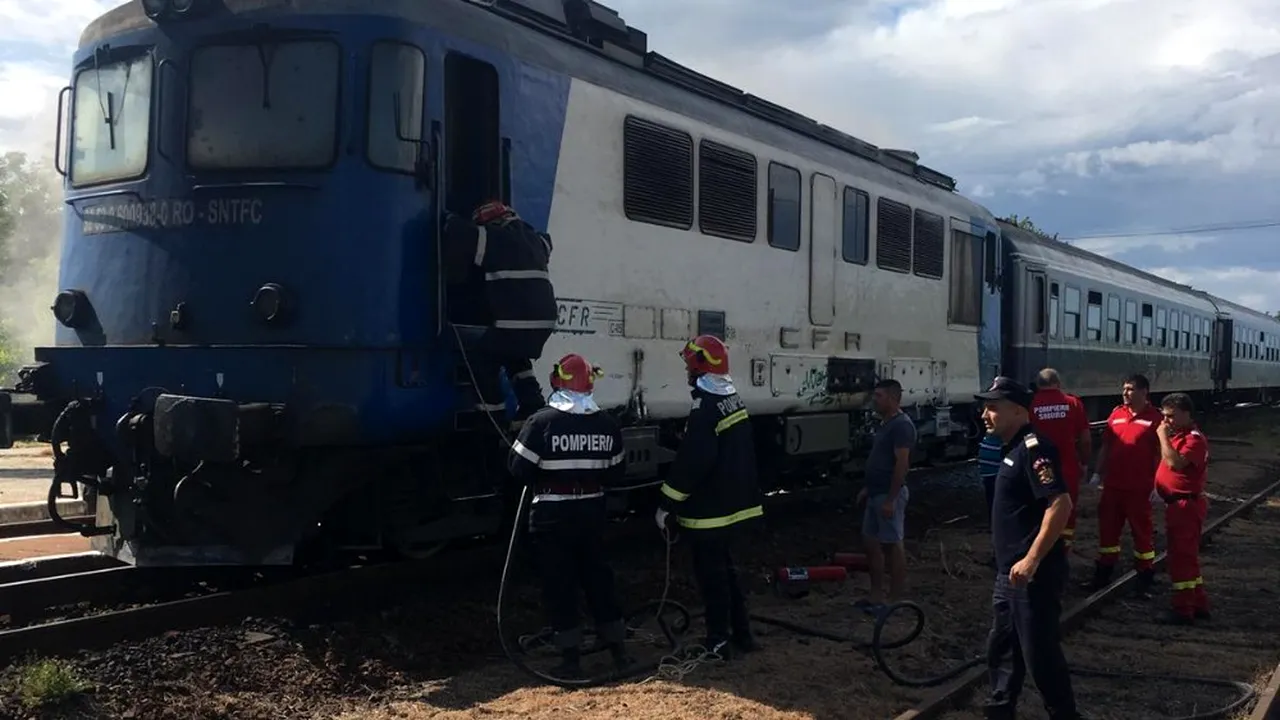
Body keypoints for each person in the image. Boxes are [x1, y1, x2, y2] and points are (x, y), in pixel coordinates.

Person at [507, 353, 631, 677]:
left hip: (552, 517)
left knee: (559, 585)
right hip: (591, 513)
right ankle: (619, 650)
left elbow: (517, 468)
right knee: (599, 580)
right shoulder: (607, 424)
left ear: (557, 382)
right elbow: (617, 473)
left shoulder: (541, 422)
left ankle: (571, 658)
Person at [975, 376, 1084, 720]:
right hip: (1009, 574)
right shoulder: (1010, 450)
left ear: (1019, 412)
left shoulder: (1034, 449)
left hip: (1031, 575)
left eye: (993, 408)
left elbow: (1060, 505)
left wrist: (1032, 560)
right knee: (1003, 648)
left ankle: (1065, 716)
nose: (984, 414)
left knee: (1039, 655)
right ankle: (999, 712)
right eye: (985, 407)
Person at [656, 335, 764, 660]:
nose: (687, 370)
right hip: (733, 505)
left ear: (700, 366)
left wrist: (666, 502)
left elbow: (695, 462)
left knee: (712, 577)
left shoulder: (705, 407)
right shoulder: (731, 399)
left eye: (689, 364)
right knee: (727, 573)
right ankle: (743, 635)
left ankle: (718, 642)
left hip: (711, 512)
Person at [444, 200, 557, 429]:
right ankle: (532, 404)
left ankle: (491, 418)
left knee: (483, 359)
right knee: (515, 355)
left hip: (515, 321)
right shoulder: (536, 240)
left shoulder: (495, 238)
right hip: (544, 323)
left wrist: (447, 216)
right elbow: (548, 240)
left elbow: (460, 234)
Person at [1085, 374, 1161, 597]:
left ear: (1144, 392)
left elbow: (1161, 454)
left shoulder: (1155, 419)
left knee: (1142, 534)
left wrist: (1159, 484)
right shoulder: (1117, 414)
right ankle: (1102, 575)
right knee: (1107, 533)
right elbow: (1107, 447)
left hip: (1140, 489)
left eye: (1130, 389)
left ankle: (1145, 579)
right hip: (1113, 487)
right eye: (1124, 389)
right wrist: (1097, 473)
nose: (1125, 393)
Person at [854, 379, 917, 614]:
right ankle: (875, 596)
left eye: (879, 396)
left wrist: (891, 499)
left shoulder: (902, 426)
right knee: (871, 543)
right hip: (876, 493)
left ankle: (894, 601)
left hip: (889, 496)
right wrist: (868, 488)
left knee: (892, 546)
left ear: (892, 398)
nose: (874, 400)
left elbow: (901, 464)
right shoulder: (886, 423)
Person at [1153, 392, 1211, 625]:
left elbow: (1175, 463)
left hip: (1186, 505)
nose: (1166, 421)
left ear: (1186, 414)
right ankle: (1198, 603)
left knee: (1181, 559)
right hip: (1178, 504)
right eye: (1164, 416)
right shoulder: (1180, 435)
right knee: (1187, 557)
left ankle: (1183, 609)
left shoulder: (1194, 439)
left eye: (1171, 416)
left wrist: (1162, 437)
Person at [1029, 368, 1092, 550]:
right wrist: (1084, 463)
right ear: (1058, 383)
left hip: (1039, 468)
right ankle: (1063, 549)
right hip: (1068, 468)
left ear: (1038, 385)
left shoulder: (1031, 405)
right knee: (1066, 511)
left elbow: (1027, 437)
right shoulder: (1073, 403)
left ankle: (1040, 548)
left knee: (1041, 509)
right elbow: (1086, 440)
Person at [978, 430, 1005, 568]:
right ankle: (997, 554)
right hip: (991, 476)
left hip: (997, 477)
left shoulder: (1006, 429)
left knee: (1000, 518)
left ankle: (1001, 557)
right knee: (994, 517)